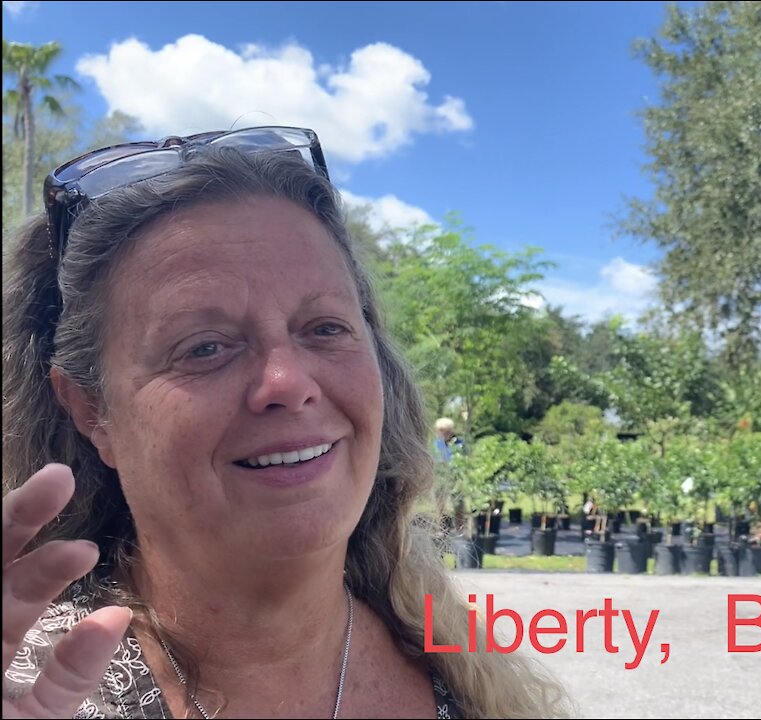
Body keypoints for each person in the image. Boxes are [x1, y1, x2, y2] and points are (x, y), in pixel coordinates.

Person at [2, 127, 573, 718]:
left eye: (325, 328)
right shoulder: (38, 692)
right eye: (204, 347)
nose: (288, 382)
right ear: (92, 408)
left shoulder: (458, 666)